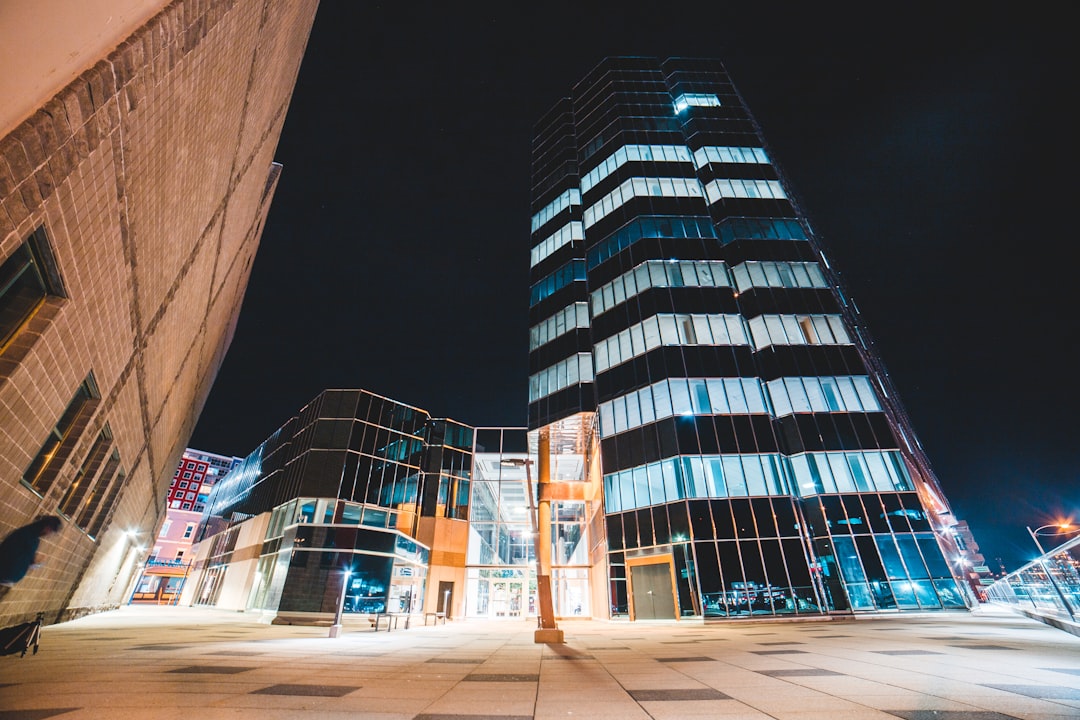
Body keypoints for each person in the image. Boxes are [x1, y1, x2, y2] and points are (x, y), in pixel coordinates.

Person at [0, 515, 62, 588]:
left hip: (7, 580)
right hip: (4, 578)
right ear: (48, 527)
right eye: (52, 532)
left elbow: (25, 558)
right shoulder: (28, 536)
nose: (50, 534)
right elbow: (9, 553)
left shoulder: (33, 537)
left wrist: (32, 563)